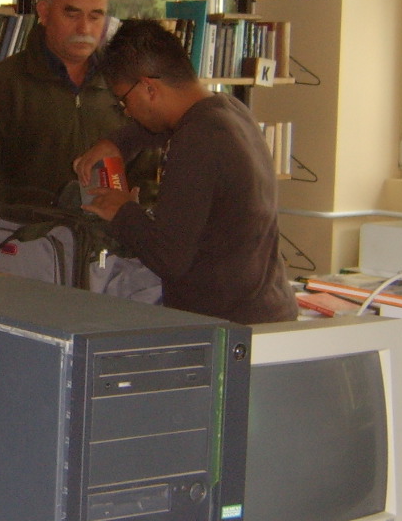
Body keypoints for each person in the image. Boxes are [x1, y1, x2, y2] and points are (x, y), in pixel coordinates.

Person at [74, 18, 297, 324]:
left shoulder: (197, 141)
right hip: (267, 306)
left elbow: (168, 257)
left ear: (149, 87)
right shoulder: (229, 110)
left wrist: (123, 210)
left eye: (124, 100)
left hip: (230, 324)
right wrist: (116, 143)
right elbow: (159, 130)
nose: (127, 112)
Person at [0, 0, 150, 249]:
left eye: (95, 16)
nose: (84, 28)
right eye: (72, 14)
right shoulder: (5, 85)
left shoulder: (126, 85)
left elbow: (147, 177)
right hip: (24, 251)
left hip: (108, 254)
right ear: (44, 12)